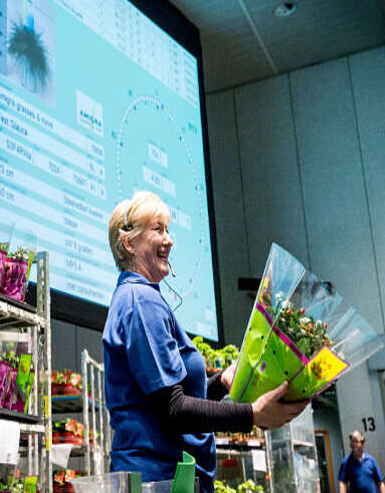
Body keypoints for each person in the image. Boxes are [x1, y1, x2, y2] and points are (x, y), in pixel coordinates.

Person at [102, 191, 309, 493]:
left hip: (169, 478)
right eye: (158, 229)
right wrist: (252, 414)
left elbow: (166, 399)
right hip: (158, 478)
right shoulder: (140, 301)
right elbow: (175, 409)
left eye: (169, 229)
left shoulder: (140, 299)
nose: (169, 240)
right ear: (129, 243)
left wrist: (221, 382)